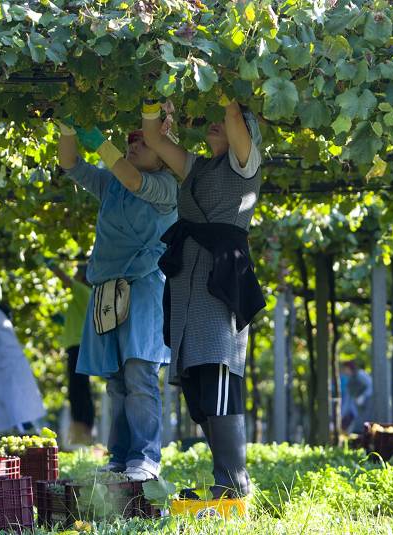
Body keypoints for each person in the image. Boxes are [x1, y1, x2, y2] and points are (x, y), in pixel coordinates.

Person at [142, 93, 265, 500]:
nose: (215, 124)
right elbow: (154, 141)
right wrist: (150, 104)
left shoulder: (244, 166)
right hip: (188, 284)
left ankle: (235, 482)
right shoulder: (198, 166)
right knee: (197, 383)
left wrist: (223, 89)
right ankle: (225, 481)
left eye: (226, 123)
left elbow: (234, 117)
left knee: (219, 374)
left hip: (220, 280)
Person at [56, 118, 176, 481]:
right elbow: (70, 164)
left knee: (140, 372)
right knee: (116, 381)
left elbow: (134, 180)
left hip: (144, 289)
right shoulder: (111, 184)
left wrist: (100, 143)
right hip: (107, 291)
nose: (133, 143)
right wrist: (68, 129)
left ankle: (146, 458)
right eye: (130, 139)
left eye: (142, 140)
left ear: (163, 154)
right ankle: (119, 458)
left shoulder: (168, 185)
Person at [0, 277, 47, 434]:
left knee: (13, 410)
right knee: (13, 408)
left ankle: (34, 445)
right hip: (9, 368)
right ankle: (30, 442)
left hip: (2, 370)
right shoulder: (0, 313)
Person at [47, 256, 95, 446]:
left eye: (77, 272)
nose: (74, 275)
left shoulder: (83, 291)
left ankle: (83, 431)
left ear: (83, 276)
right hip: (78, 346)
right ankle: (82, 431)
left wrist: (52, 265)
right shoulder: (84, 295)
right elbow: (73, 319)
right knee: (79, 389)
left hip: (79, 346)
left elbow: (65, 280)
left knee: (78, 390)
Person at [340, 361, 373, 434]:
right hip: (358, 409)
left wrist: (363, 396)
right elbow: (348, 400)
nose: (344, 371)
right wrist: (341, 415)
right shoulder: (348, 380)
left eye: (345, 369)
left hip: (369, 405)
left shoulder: (360, 374)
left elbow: (371, 386)